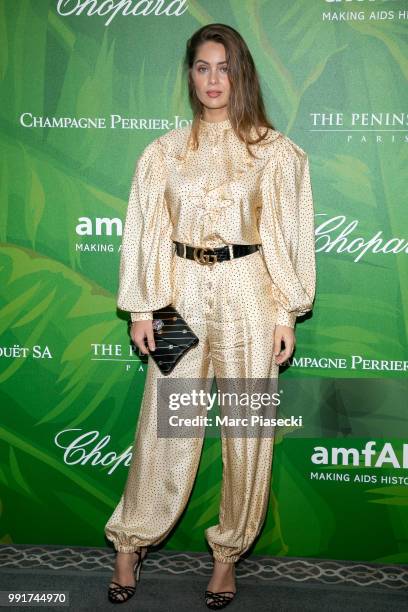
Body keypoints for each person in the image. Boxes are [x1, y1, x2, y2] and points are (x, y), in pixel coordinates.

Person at [104, 23, 316, 609]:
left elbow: (286, 239)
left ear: (240, 73)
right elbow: (145, 230)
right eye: (202, 67)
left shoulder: (273, 152)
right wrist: (142, 306)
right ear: (190, 74)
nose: (213, 79)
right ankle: (131, 540)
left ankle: (227, 557)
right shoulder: (164, 152)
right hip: (180, 293)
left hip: (251, 291)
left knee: (248, 431)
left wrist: (285, 315)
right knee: (164, 424)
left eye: (224, 67)